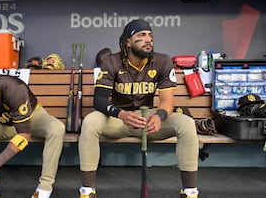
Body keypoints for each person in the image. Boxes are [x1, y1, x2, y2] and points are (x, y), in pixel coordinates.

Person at [78, 19, 199, 198]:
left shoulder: (162, 61)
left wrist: (159, 116)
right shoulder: (112, 62)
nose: (148, 39)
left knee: (186, 123)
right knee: (90, 122)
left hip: (148, 119)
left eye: (150, 35)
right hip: (119, 119)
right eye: (141, 35)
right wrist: (121, 114)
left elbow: (167, 101)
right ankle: (87, 191)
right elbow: (99, 100)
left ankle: (189, 192)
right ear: (128, 41)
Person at [0, 74, 65, 198]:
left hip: (32, 118)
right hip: (2, 123)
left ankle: (44, 188)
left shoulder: (15, 88)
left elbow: (24, 135)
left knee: (57, 128)